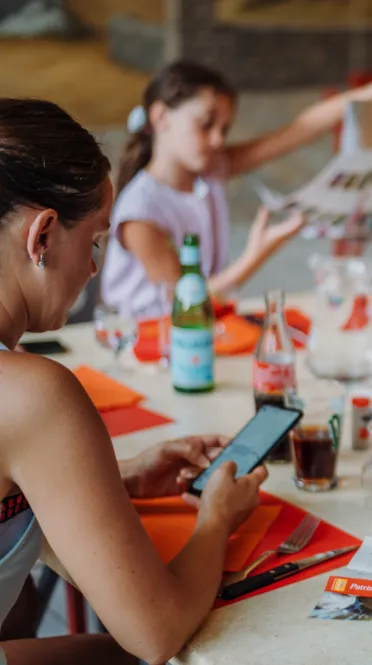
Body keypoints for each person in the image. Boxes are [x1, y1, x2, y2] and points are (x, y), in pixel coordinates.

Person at [0, 98, 269, 664]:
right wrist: (216, 517)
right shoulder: (32, 392)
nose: (95, 269)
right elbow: (155, 630)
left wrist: (117, 478)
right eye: (95, 241)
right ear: (42, 236)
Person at [100, 60, 372, 317]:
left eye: (224, 129)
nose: (218, 140)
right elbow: (183, 301)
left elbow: (296, 133)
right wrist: (257, 254)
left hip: (200, 327)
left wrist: (361, 97)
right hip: (150, 341)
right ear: (161, 117)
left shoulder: (210, 169)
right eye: (206, 125)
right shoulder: (140, 212)